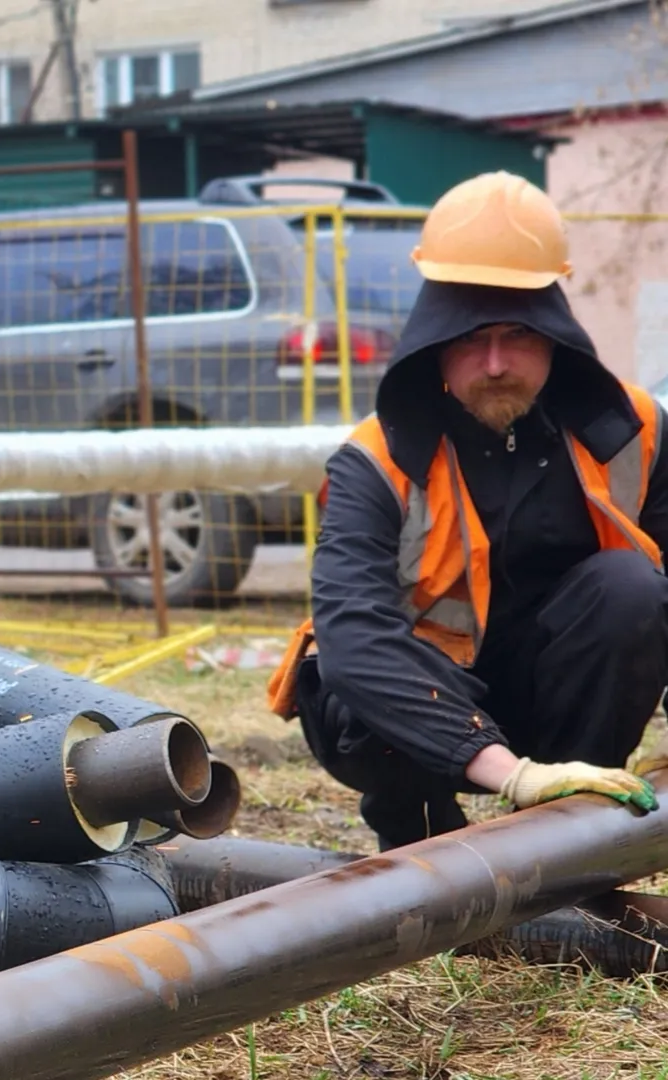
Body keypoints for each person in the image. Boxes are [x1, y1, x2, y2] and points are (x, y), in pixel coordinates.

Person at [267, 171, 668, 852]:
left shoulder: (635, 431)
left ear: (554, 337)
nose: (494, 363)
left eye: (516, 335)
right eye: (471, 339)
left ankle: (569, 837)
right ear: (433, 344)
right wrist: (510, 775)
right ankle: (420, 838)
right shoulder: (374, 460)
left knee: (630, 588)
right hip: (412, 716)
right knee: (347, 669)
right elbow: (353, 637)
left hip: (557, 699)